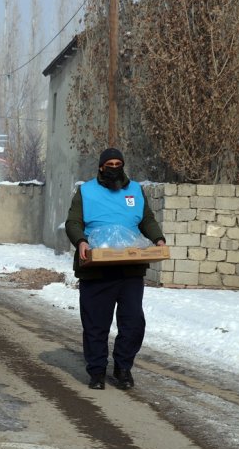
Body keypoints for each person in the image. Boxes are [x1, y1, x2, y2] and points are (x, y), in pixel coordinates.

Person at [64, 147, 166, 390]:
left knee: (133, 323)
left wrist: (158, 239)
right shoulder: (86, 191)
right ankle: (97, 371)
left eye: (118, 164)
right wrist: (81, 241)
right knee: (96, 324)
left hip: (129, 269)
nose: (114, 168)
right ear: (101, 167)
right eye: (109, 164)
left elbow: (146, 219)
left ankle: (123, 367)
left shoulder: (135, 190)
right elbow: (73, 222)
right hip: (96, 267)